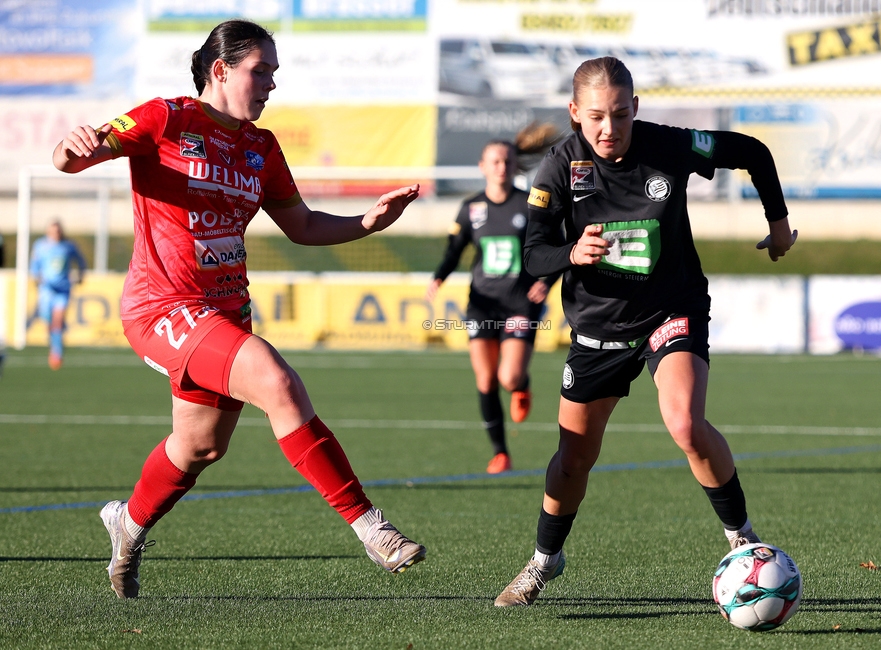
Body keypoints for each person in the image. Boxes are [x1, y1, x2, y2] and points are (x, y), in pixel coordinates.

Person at [52, 19, 426, 600]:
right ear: (221, 70)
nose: (272, 83)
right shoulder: (167, 117)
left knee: (200, 447)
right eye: (262, 71)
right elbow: (77, 156)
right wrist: (68, 149)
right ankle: (370, 527)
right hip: (163, 306)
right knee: (277, 381)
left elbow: (299, 225)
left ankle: (128, 523)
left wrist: (365, 224)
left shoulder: (262, 146)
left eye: (275, 72)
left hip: (226, 312)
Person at [493, 56, 798, 607]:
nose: (610, 129)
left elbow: (751, 152)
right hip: (599, 325)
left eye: (620, 115)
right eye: (595, 118)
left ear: (636, 108)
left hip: (670, 308)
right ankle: (545, 560)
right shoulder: (559, 167)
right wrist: (571, 253)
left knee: (685, 422)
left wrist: (778, 227)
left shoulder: (669, 145)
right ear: (574, 115)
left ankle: (743, 541)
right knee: (573, 459)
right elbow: (533, 256)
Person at [427, 127, 560, 474]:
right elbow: (454, 251)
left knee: (509, 377)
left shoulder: (529, 204)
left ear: (515, 166)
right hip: (482, 303)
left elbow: (555, 247)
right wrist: (439, 277)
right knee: (485, 380)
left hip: (520, 303)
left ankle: (523, 385)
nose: (501, 166)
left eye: (507, 161)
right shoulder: (471, 208)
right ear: (482, 166)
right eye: (495, 161)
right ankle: (501, 453)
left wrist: (547, 281)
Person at [29, 220, 86, 370]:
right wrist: (36, 277)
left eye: (58, 231)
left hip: (63, 289)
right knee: (47, 319)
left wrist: (80, 274)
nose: (56, 234)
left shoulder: (68, 246)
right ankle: (54, 341)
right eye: (53, 231)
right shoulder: (40, 246)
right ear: (48, 232)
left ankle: (57, 353)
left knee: (57, 320)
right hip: (46, 289)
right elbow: (34, 266)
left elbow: (81, 261)